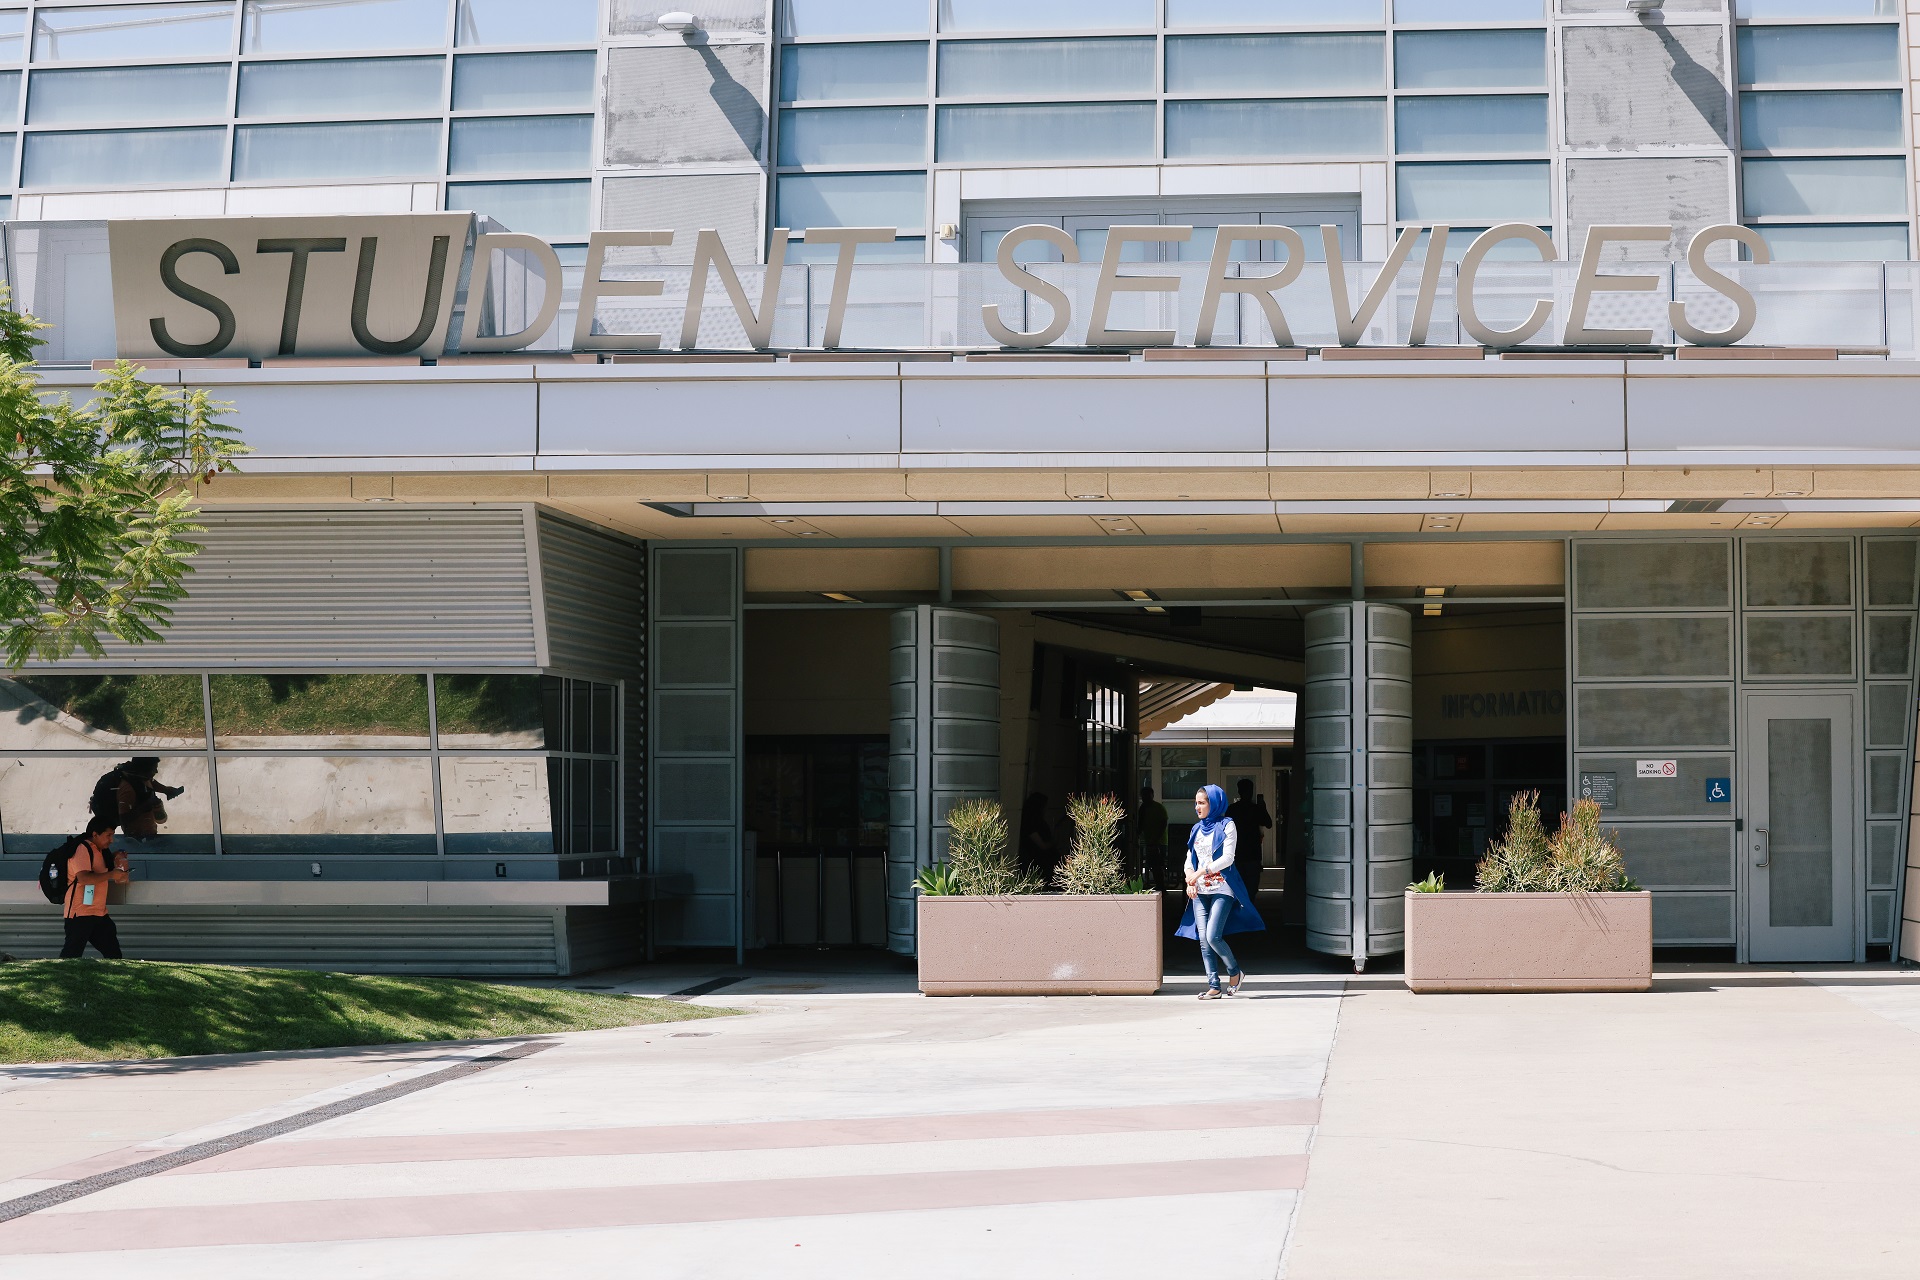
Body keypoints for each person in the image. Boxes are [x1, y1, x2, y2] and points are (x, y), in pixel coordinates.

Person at [1176, 784, 1265, 999]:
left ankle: (1235, 972)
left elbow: (1227, 859)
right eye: (1196, 803)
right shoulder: (1196, 829)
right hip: (1200, 890)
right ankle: (1214, 986)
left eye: (1201, 803)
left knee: (1213, 935)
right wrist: (1190, 878)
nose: (1197, 807)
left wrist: (1200, 873)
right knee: (1204, 940)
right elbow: (1190, 858)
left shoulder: (1227, 825)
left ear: (1214, 804)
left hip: (1222, 889)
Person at [57, 816, 129, 959]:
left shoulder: (100, 850)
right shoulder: (82, 849)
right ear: (95, 834)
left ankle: (117, 978)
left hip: (99, 913)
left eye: (112, 835)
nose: (111, 840)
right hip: (80, 913)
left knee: (114, 954)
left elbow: (98, 870)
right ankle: (60, 979)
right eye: (108, 835)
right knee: (71, 956)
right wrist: (111, 875)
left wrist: (115, 858)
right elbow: (84, 878)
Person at [90, 757, 185, 841]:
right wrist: (145, 806)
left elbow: (151, 781)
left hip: (149, 834)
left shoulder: (140, 777)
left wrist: (166, 790)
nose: (156, 771)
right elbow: (124, 819)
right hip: (137, 839)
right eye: (154, 769)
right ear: (144, 770)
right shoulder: (127, 790)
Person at [1226, 778, 1274, 897]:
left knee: (1237, 888)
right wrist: (1263, 808)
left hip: (1237, 852)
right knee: (1251, 889)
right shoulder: (1256, 809)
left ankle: (1240, 911)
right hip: (1252, 853)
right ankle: (1248, 911)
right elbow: (1268, 823)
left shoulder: (1232, 809)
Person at [1018, 792, 1058, 882]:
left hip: (1039, 859)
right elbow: (1042, 845)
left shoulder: (1032, 821)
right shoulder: (1031, 823)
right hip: (1038, 860)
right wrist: (1053, 843)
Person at [1136, 784, 1169, 888]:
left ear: (1152, 796)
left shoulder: (1159, 808)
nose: (1145, 798)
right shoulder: (1142, 809)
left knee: (1157, 865)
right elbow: (1140, 824)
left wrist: (1156, 839)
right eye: (1143, 796)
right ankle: (1153, 884)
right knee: (1151, 864)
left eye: (1148, 795)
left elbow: (1163, 824)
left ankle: (1161, 886)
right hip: (1148, 841)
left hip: (1159, 842)